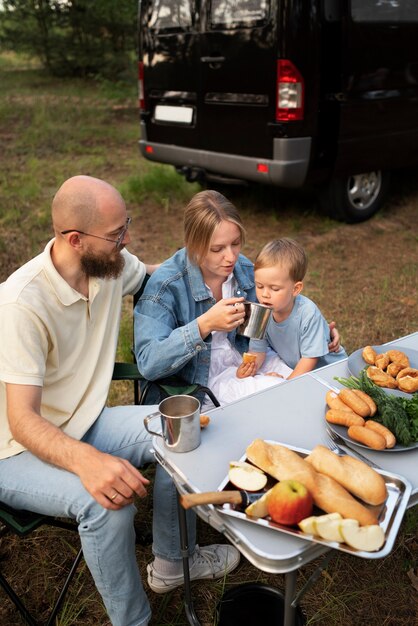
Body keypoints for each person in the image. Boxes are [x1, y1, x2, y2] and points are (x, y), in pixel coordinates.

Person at [0, 176, 239, 626]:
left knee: (184, 428)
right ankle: (133, 621)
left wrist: (288, 315)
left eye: (125, 225)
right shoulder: (20, 304)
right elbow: (20, 421)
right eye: (116, 234)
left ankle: (172, 561)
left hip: (83, 420)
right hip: (12, 450)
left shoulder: (108, 264)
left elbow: (159, 275)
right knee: (107, 506)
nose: (126, 240)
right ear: (75, 240)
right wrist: (87, 461)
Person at [135, 190, 340, 408]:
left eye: (236, 243)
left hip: (251, 359)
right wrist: (204, 325)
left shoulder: (243, 270)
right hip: (202, 380)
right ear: (193, 245)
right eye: (217, 249)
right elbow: (149, 363)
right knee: (287, 402)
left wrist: (315, 329)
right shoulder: (165, 286)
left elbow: (281, 300)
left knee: (313, 390)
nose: (231, 256)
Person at [238, 238, 347, 381]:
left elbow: (310, 360)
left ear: (295, 289)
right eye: (259, 286)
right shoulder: (260, 311)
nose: (265, 294)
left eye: (274, 288)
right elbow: (257, 350)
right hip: (298, 372)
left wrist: (287, 384)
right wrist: (249, 368)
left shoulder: (308, 313)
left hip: (331, 373)